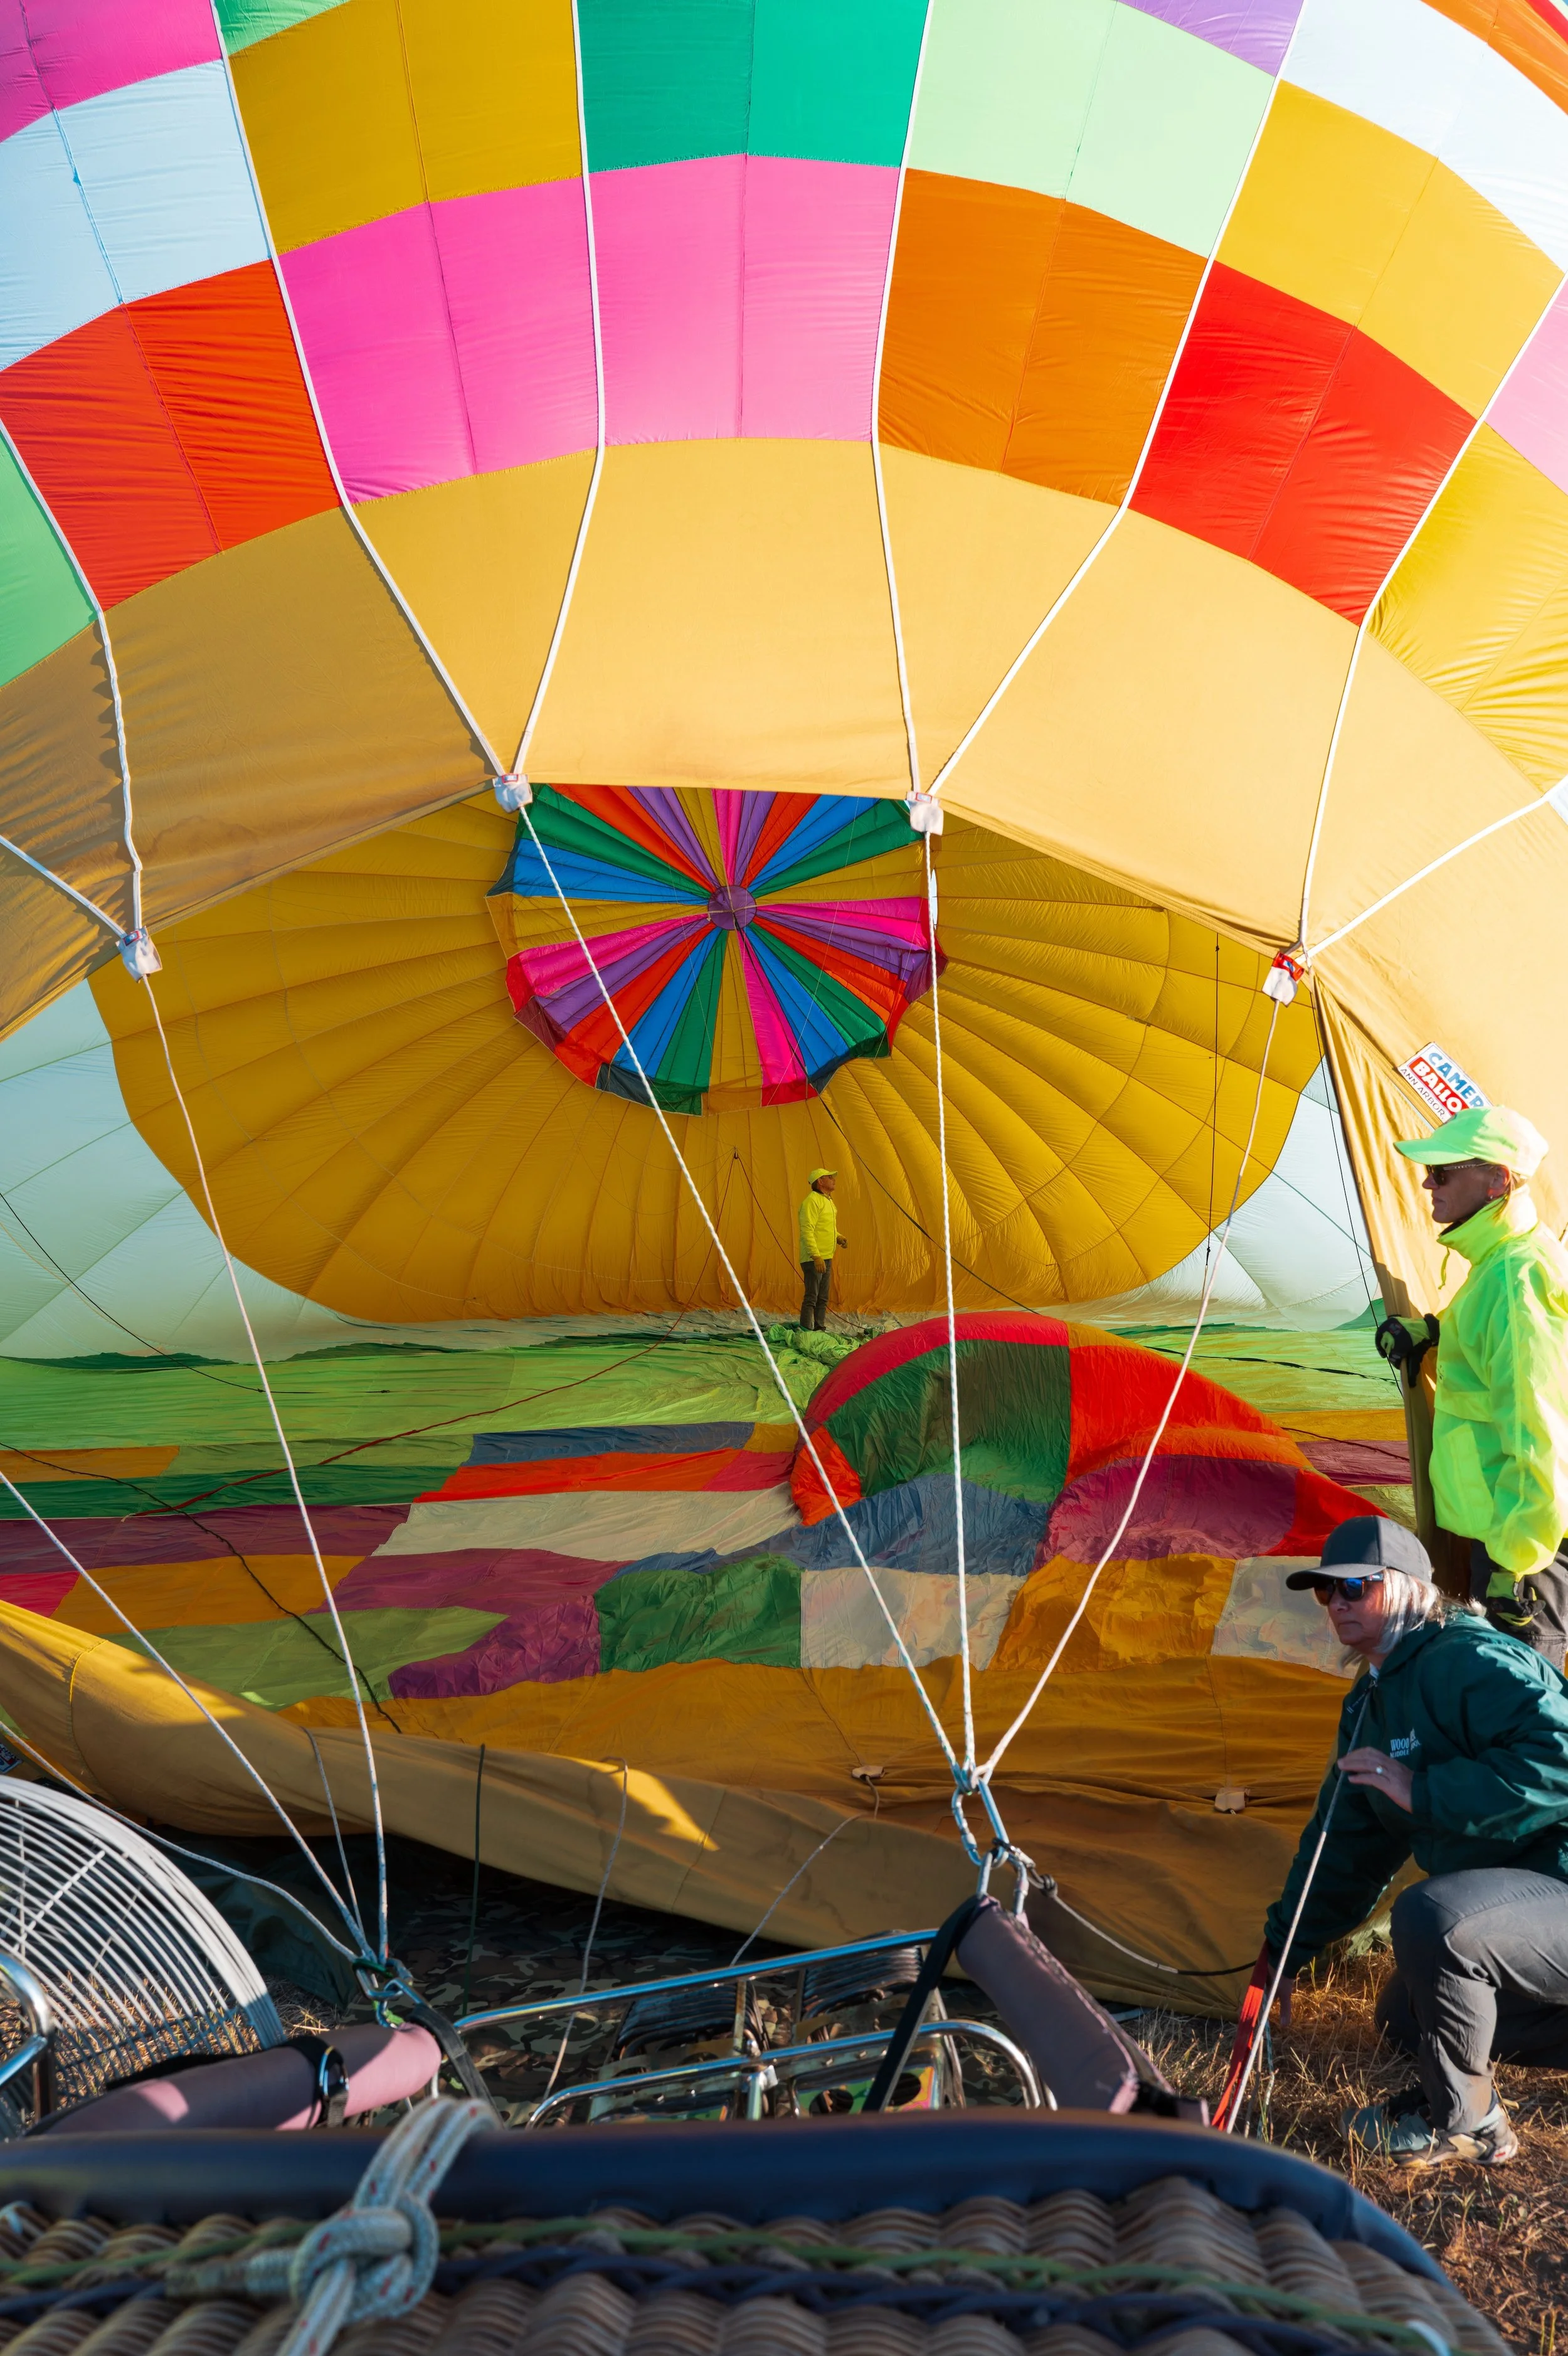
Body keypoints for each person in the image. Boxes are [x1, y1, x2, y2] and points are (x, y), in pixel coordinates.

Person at [1261, 1516, 1568, 2169]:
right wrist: (1286, 1947)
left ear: (1407, 1587)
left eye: (1356, 1587)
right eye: (1325, 1590)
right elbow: (1344, 1843)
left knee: (1434, 1918)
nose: (1337, 1604)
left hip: (1558, 1889)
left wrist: (1422, 1790)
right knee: (1405, 2014)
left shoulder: (1469, 1660)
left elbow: (1559, 1760)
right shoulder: (1371, 1701)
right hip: (1526, 1919)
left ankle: (1466, 2124)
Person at [1393, 1103, 1568, 1668]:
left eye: (1442, 1172)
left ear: (1498, 1181)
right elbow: (1493, 1339)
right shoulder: (1501, 1264)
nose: (1428, 1183)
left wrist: (1514, 1563)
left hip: (1525, 1547)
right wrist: (1433, 1330)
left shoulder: (1517, 1278)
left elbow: (1541, 1430)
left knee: (1519, 1705)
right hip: (1510, 1533)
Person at [798, 1166, 847, 1332]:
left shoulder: (828, 1200)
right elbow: (807, 1231)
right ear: (820, 1181)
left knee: (823, 1297)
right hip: (814, 1259)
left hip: (826, 1257)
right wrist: (816, 1257)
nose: (834, 1180)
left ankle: (819, 1329)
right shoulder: (811, 1201)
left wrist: (838, 1237)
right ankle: (806, 1331)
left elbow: (826, 1228)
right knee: (812, 1297)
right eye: (830, 1177)